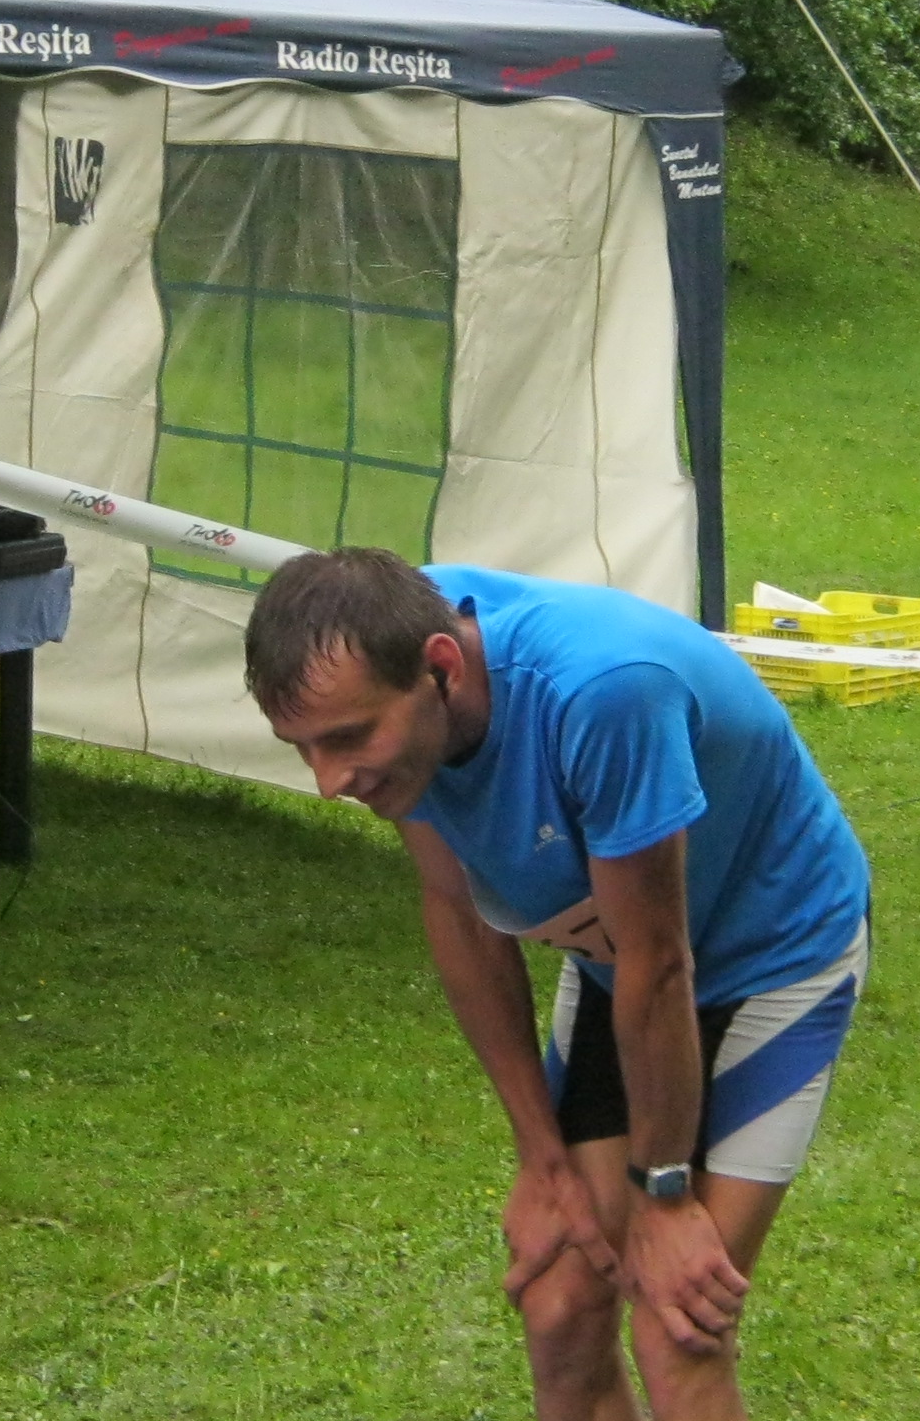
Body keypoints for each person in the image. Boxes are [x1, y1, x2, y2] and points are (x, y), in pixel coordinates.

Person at [244, 549, 871, 1421]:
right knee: (560, 1304)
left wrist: (663, 1194)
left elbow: (660, 966)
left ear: (442, 669)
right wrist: (543, 1160)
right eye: (303, 748)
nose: (328, 782)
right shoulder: (387, 647)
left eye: (348, 739)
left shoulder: (601, 693)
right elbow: (457, 912)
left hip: (775, 954)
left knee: (677, 1327)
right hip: (627, 962)